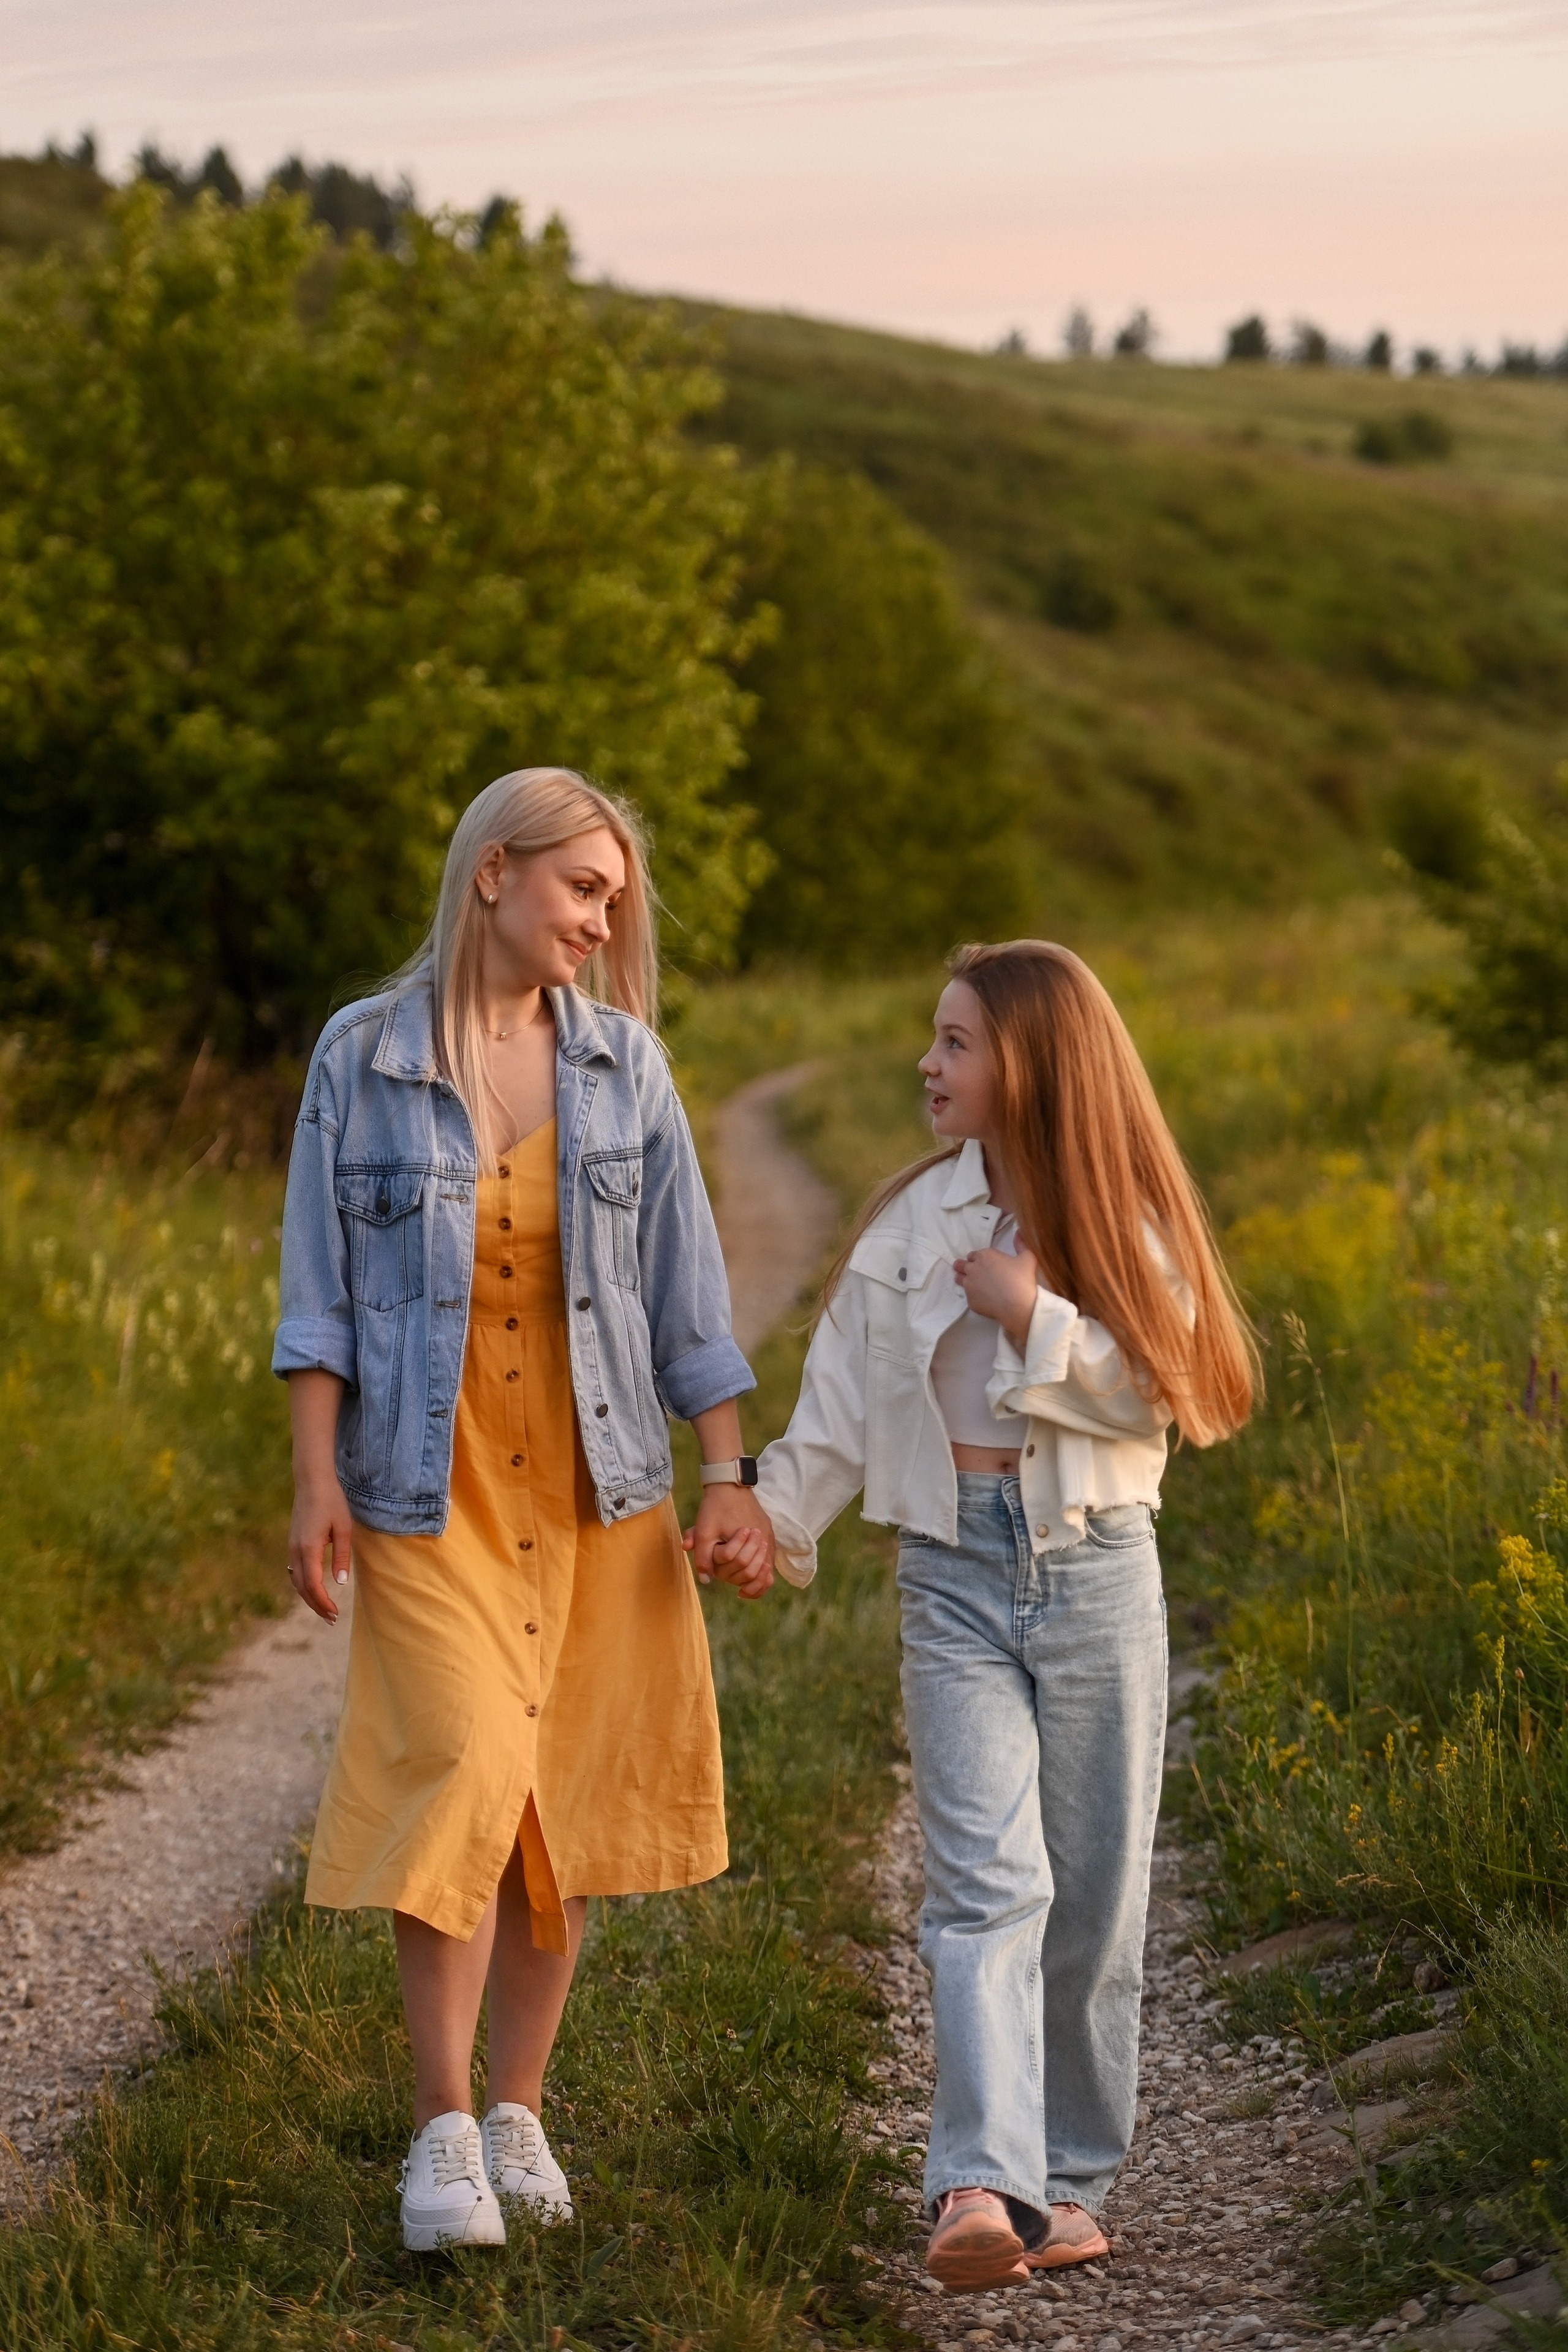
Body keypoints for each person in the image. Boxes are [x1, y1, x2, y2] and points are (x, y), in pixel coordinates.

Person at [272, 767, 775, 2253]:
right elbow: (318, 1301)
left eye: (613, 898)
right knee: (465, 1776)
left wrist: (729, 1476)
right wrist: (315, 1481)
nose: (601, 919)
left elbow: (690, 1301)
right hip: (429, 1499)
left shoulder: (627, 1067)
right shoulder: (357, 1058)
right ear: (492, 875)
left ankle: (518, 2112)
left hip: (600, 1490)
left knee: (551, 1806)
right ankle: (438, 2135)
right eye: (581, 889)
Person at [753, 940, 1255, 2290]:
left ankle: (1072, 2184)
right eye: (934, 1037)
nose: (928, 1062)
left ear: (1033, 1065)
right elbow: (840, 1405)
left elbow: (1163, 1393)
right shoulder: (912, 1225)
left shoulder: (1125, 1225)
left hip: (1095, 1572)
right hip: (951, 1572)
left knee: (1091, 1896)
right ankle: (976, 2183)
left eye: (956, 1041)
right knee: (985, 1886)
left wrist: (1035, 1317)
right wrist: (769, 1515)